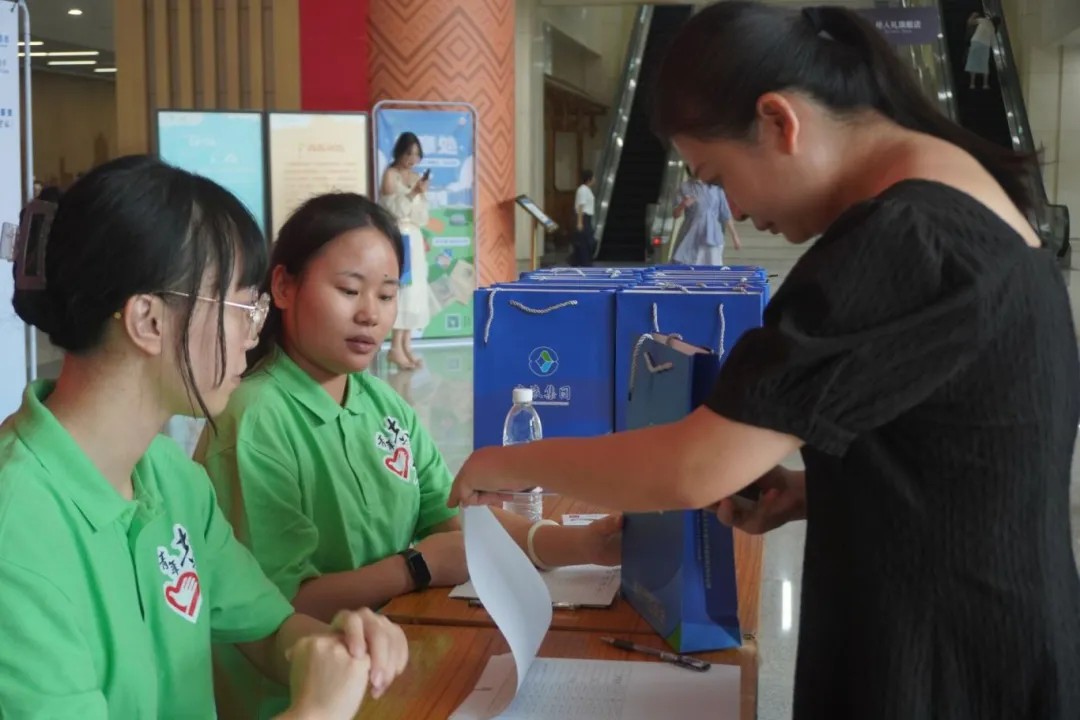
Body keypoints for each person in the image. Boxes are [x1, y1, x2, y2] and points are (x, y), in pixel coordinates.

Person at [448, 3, 1080, 719]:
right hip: (997, 629)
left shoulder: (903, 238)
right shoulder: (972, 206)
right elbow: (972, 453)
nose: (735, 211)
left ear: (779, 121)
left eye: (717, 176)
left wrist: (507, 462)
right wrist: (817, 493)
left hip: (943, 662)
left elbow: (692, 469)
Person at [0, 156, 409, 719]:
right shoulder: (18, 531)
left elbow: (270, 629)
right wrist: (315, 712)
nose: (253, 333)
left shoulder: (170, 478)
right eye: (242, 307)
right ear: (148, 320)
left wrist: (338, 644)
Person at [195, 192, 622, 718]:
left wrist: (580, 543)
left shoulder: (381, 403)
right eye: (348, 290)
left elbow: (453, 519)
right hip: (303, 698)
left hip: (398, 662)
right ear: (283, 286)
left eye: (386, 294)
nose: (369, 314)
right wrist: (415, 568)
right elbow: (273, 608)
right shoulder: (255, 418)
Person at [380, 131, 431, 370]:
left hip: (415, 236)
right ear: (399, 152)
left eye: (416, 154)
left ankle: (406, 345)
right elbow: (391, 208)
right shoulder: (390, 175)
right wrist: (413, 193)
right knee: (403, 289)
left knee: (416, 291)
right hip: (399, 236)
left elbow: (422, 215)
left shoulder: (417, 177)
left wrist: (420, 194)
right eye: (408, 153)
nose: (412, 159)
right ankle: (394, 348)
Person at [671, 170, 742, 265]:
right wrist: (683, 205)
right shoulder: (684, 187)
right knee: (687, 267)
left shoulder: (717, 188)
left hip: (712, 236)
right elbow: (675, 215)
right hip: (689, 235)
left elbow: (725, 214)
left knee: (712, 267)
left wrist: (735, 236)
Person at [966, 13, 996, 90]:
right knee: (984, 65)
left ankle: (972, 84)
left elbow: (970, 22)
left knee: (973, 63)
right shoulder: (992, 28)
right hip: (985, 45)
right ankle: (985, 84)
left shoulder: (984, 20)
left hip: (976, 42)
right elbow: (993, 42)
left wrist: (973, 15)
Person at [573, 169, 596, 266]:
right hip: (583, 217)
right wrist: (579, 222)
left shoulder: (587, 190)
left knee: (587, 241)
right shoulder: (582, 190)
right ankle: (584, 262)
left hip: (587, 217)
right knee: (586, 241)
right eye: (593, 177)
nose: (595, 179)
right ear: (589, 179)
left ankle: (582, 261)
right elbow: (581, 206)